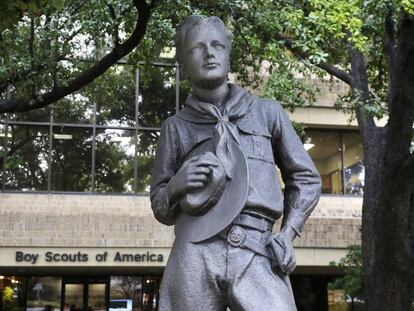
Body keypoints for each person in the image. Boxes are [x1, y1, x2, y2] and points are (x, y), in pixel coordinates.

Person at [150, 15, 321, 311]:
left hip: (257, 247)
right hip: (194, 250)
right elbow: (160, 206)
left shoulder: (267, 113)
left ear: (229, 54)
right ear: (182, 63)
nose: (209, 53)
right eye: (196, 48)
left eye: (217, 45)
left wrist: (288, 233)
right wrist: (175, 186)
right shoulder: (175, 127)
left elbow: (306, 178)